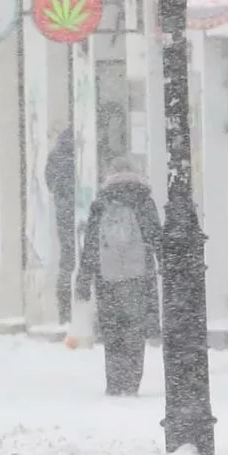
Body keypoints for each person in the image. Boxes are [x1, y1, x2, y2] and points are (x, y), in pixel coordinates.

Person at [77, 158, 162, 397]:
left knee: (112, 330)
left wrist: (84, 277)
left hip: (107, 277)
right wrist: (166, 262)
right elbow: (155, 236)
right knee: (134, 330)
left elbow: (91, 243)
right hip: (138, 276)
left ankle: (115, 382)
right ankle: (132, 382)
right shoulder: (143, 200)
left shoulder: (101, 202)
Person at [46, 126, 78, 323]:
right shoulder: (80, 152)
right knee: (78, 260)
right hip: (79, 212)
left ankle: (65, 310)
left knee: (67, 260)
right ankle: (75, 306)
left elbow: (50, 184)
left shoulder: (55, 156)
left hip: (64, 215)